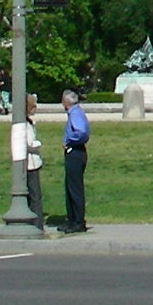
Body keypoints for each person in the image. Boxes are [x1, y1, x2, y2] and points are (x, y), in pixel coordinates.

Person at [60, 88, 90, 233]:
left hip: (76, 152)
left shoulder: (75, 113)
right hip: (73, 152)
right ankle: (71, 219)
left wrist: (69, 140)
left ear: (66, 102)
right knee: (69, 187)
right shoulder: (73, 113)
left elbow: (82, 132)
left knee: (75, 188)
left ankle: (78, 221)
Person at [24, 97, 45, 227]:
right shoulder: (25, 125)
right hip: (30, 164)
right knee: (35, 195)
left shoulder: (30, 122)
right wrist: (39, 143)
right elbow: (29, 143)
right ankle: (37, 224)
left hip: (32, 162)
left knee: (33, 195)